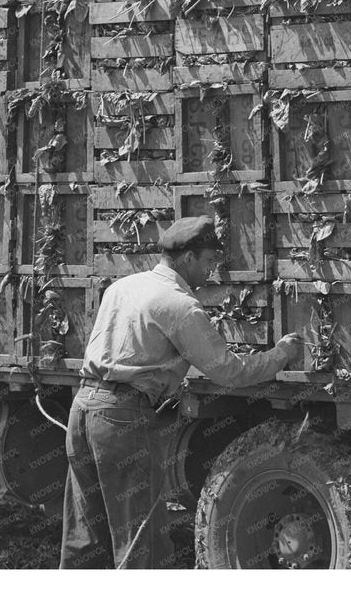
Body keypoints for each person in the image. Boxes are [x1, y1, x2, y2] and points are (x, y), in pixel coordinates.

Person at [60, 216, 304, 569]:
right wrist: (281, 354)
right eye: (207, 262)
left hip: (82, 411)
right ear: (187, 258)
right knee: (141, 537)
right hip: (121, 417)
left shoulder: (122, 287)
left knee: (86, 534)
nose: (210, 272)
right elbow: (227, 370)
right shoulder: (179, 305)